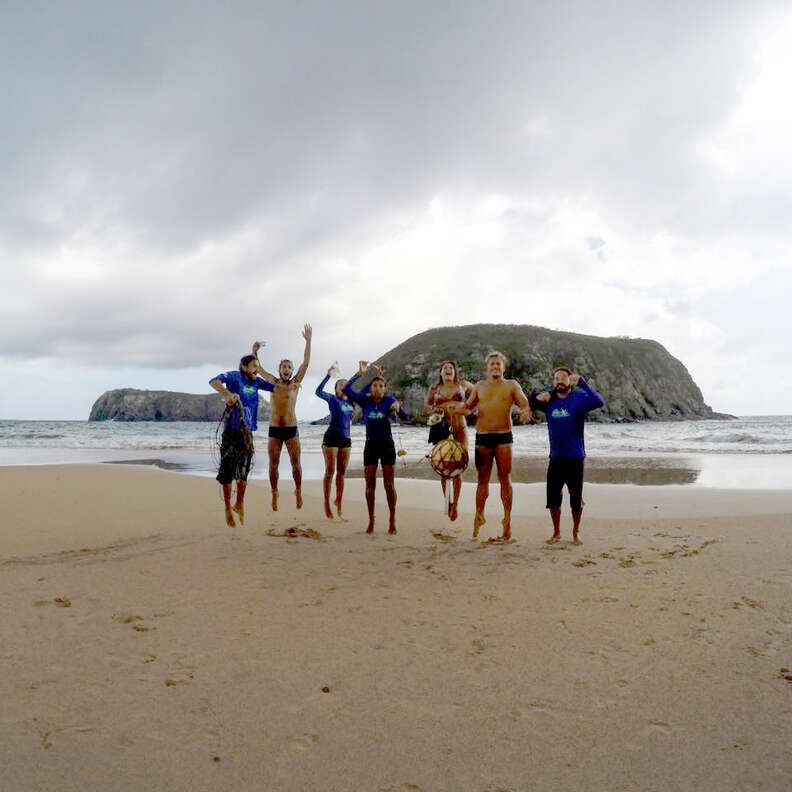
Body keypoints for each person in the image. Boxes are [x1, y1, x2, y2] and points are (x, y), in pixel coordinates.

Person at [449, 351, 532, 541]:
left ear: (503, 367)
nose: (495, 367)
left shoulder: (512, 385)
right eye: (491, 364)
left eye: (498, 364)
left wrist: (526, 412)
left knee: (505, 479)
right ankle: (479, 516)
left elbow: (524, 404)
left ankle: (507, 521)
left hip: (504, 437)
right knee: (482, 480)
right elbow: (468, 408)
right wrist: (453, 408)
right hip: (483, 438)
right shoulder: (479, 386)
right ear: (487, 368)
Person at [530, 367, 604, 545]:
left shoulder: (578, 398)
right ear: (553, 382)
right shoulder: (550, 401)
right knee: (553, 498)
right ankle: (556, 533)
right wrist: (543, 395)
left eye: (564, 377)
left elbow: (599, 401)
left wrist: (583, 383)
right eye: (557, 378)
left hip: (575, 457)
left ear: (570, 380)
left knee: (576, 499)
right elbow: (531, 402)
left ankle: (575, 533)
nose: (560, 381)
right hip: (555, 457)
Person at [209, 353, 274, 527]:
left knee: (243, 472)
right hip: (231, 432)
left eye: (258, 367)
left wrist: (294, 382)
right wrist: (227, 394)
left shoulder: (257, 382)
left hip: (247, 434)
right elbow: (213, 380)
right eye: (254, 366)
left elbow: (276, 386)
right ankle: (228, 509)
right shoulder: (234, 376)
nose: (256, 370)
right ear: (244, 366)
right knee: (227, 474)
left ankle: (239, 504)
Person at [343, 362, 409, 535]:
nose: (378, 388)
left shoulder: (390, 400)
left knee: (389, 485)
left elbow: (407, 418)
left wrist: (399, 408)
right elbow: (347, 389)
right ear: (371, 388)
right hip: (370, 446)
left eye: (381, 386)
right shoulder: (365, 401)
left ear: (385, 389)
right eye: (375, 385)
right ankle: (371, 521)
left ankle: (392, 520)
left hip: (387, 446)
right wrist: (360, 374)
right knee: (369, 485)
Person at [253, 324, 312, 511]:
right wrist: (254, 352)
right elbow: (258, 369)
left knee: (296, 464)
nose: (286, 369)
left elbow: (306, 362)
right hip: (274, 429)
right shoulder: (273, 382)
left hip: (292, 429)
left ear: (292, 370)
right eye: (284, 367)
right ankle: (274, 492)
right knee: (273, 464)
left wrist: (308, 341)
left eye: (289, 367)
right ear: (279, 370)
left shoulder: (295, 383)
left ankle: (299, 490)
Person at [424, 360, 473, 521]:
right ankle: (448, 501)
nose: (447, 370)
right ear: (440, 372)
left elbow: (478, 396)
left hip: (461, 428)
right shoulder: (434, 388)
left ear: (454, 371)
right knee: (444, 468)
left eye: (450, 368)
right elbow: (426, 409)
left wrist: (471, 408)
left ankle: (456, 504)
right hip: (441, 429)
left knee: (459, 466)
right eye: (444, 368)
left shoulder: (464, 385)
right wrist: (434, 409)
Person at [315, 363, 355, 519]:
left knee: (342, 473)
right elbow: (318, 392)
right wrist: (327, 376)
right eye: (340, 385)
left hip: (346, 440)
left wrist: (359, 372)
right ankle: (326, 503)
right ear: (336, 389)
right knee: (330, 472)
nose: (344, 387)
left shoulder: (350, 402)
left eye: (346, 385)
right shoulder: (332, 399)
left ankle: (339, 501)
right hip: (331, 438)